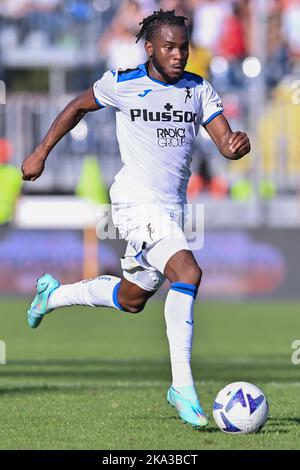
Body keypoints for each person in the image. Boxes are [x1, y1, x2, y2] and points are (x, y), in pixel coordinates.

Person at [21, 9, 250, 429]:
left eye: (183, 46)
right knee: (188, 271)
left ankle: (50, 296)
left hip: (171, 210)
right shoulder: (123, 82)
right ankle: (182, 386)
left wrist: (235, 146)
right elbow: (76, 107)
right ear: (150, 48)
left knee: (131, 299)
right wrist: (41, 152)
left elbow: (224, 140)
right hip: (133, 201)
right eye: (169, 47)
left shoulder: (198, 89)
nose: (179, 54)